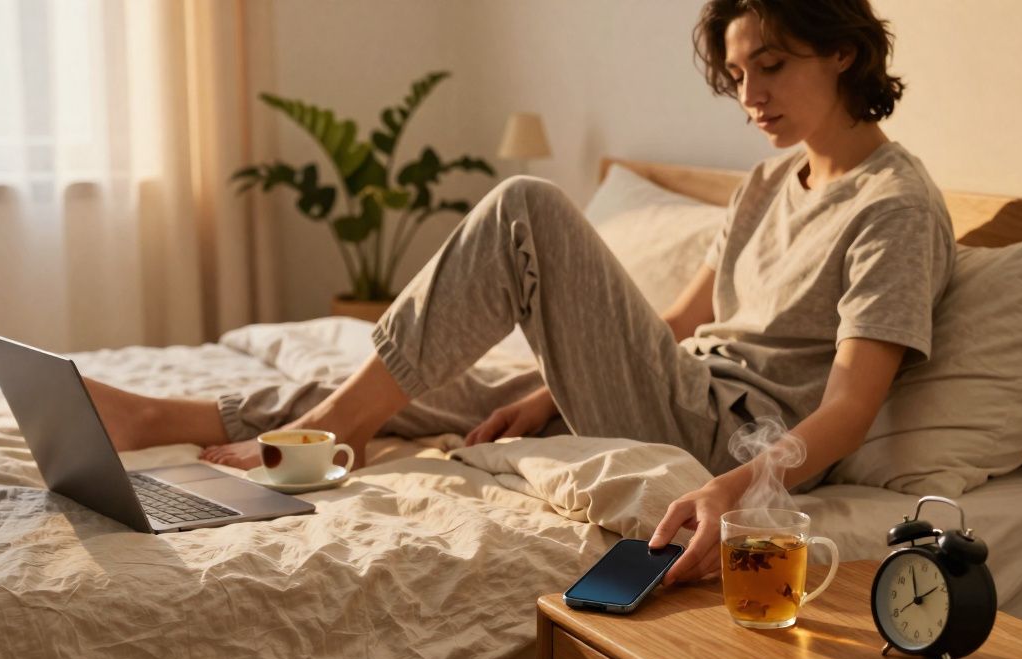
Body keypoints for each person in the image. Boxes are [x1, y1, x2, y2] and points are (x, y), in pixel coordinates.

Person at [87, 0, 954, 586]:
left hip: (729, 433)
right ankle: (167, 421)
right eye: (738, 76)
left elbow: (846, 411)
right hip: (677, 386)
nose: (751, 96)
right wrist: (551, 386)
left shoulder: (895, 206)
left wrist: (735, 490)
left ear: (842, 49)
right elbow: (685, 322)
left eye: (771, 65)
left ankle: (333, 433)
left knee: (526, 208)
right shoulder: (767, 182)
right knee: (424, 381)